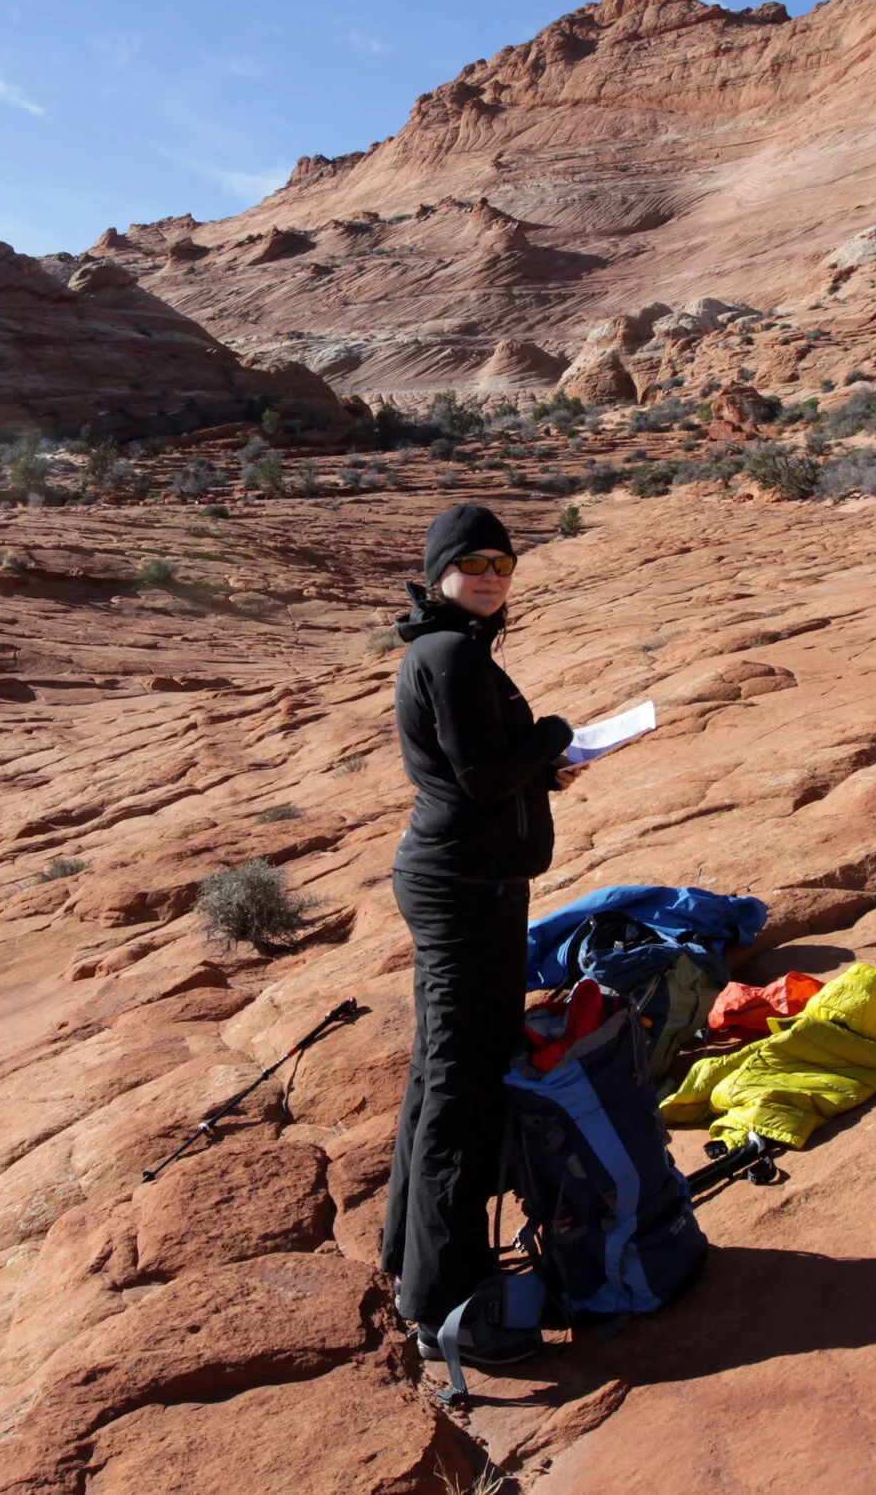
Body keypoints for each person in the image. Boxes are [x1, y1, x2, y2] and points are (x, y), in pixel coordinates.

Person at [381, 502, 577, 1367]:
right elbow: (485, 777)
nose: (492, 577)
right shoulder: (453, 653)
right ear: (440, 573)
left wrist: (542, 768)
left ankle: (411, 1263)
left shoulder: (451, 646)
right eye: (475, 564)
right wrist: (553, 735)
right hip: (464, 890)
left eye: (504, 563)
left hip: (467, 880)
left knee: (441, 1072)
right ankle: (446, 1306)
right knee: (461, 1088)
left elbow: (487, 772)